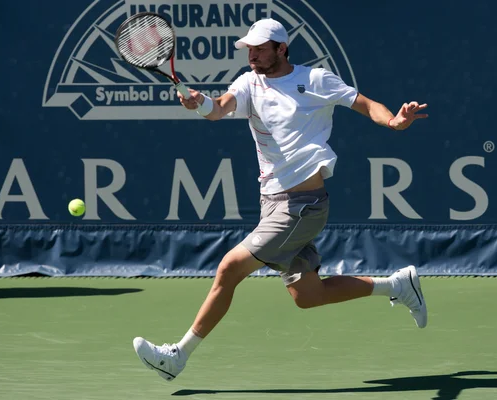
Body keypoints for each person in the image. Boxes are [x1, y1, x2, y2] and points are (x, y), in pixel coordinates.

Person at [132, 18, 429, 382]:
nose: (252, 54)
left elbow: (365, 104)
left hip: (303, 206)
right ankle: (397, 286)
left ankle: (177, 357)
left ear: (281, 49)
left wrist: (394, 122)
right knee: (308, 296)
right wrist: (198, 102)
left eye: (259, 48)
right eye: (249, 49)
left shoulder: (315, 80)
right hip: (271, 203)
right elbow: (218, 108)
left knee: (228, 268)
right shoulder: (248, 83)